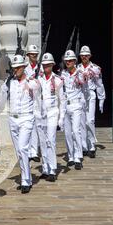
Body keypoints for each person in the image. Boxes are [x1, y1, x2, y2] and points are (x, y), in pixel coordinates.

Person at [0, 54, 40, 194]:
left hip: (26, 118)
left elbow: (39, 95)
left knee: (23, 148)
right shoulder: (10, 82)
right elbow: (2, 99)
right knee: (19, 151)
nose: (15, 70)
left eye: (18, 67)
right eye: (14, 67)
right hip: (13, 119)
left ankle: (26, 180)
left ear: (23, 67)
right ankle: (24, 176)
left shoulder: (30, 81)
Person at [36, 53, 65, 182]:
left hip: (53, 112)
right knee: (42, 142)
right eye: (44, 65)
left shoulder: (58, 80)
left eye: (48, 65)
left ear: (52, 65)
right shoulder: (39, 79)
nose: (46, 67)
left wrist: (61, 118)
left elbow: (62, 100)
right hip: (41, 114)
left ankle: (52, 169)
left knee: (51, 140)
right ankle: (45, 168)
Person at [61, 50, 89, 170]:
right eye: (67, 61)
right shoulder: (63, 74)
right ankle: (71, 156)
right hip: (66, 106)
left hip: (77, 105)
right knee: (67, 133)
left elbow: (85, 87)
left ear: (75, 61)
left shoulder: (80, 73)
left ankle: (78, 156)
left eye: (71, 60)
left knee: (75, 130)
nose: (68, 62)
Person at [77, 45, 106, 158]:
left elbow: (99, 84)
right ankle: (84, 146)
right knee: (82, 122)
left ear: (90, 56)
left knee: (90, 120)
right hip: (80, 95)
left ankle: (92, 145)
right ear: (80, 56)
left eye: (86, 55)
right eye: (82, 55)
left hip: (91, 94)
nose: (84, 57)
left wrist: (101, 99)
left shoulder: (95, 68)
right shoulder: (77, 68)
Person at [24, 44, 40, 163]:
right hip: (28, 99)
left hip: (39, 99)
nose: (34, 55)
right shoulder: (24, 69)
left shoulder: (41, 67)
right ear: (28, 55)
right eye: (32, 54)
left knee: (37, 125)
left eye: (35, 54)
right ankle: (30, 150)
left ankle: (34, 151)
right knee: (29, 125)